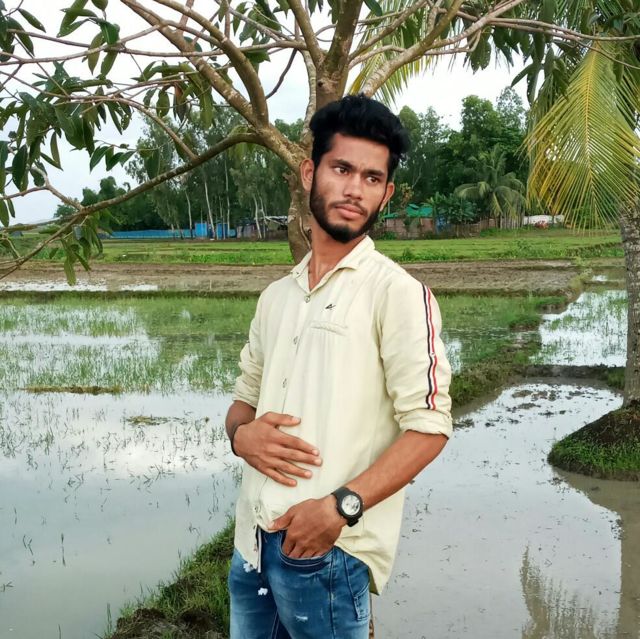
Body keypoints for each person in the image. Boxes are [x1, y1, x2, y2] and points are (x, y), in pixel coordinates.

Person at [225, 94, 452, 639]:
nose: (355, 189)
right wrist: (241, 437)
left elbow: (430, 427)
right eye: (342, 169)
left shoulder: (397, 294)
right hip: (251, 543)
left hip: (327, 552)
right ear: (311, 173)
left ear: (386, 194)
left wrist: (338, 509)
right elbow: (243, 402)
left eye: (372, 178)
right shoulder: (276, 297)